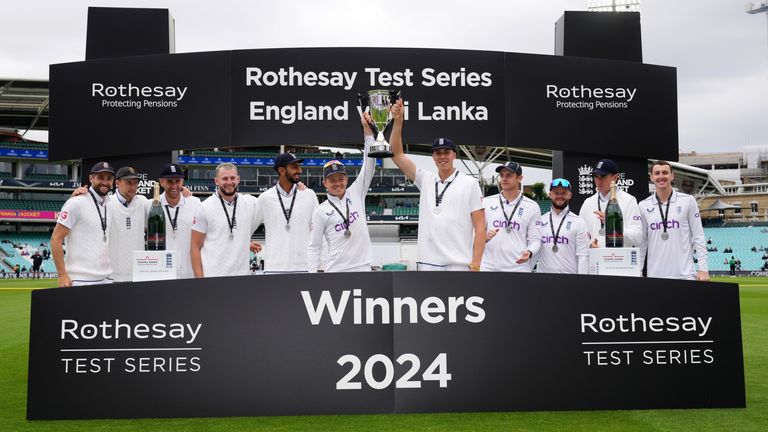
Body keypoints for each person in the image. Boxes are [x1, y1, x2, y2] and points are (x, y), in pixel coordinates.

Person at [387, 99, 485, 271]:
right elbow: (396, 155)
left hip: (459, 264)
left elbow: (480, 226)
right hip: (428, 263)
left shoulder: (470, 183)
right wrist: (398, 121)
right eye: (438, 153)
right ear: (433, 156)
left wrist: (476, 263)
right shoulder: (426, 179)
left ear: (454, 154)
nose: (442, 156)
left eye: (446, 152)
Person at [307, 114, 376, 272]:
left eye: (340, 178)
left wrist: (367, 132)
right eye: (332, 180)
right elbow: (314, 247)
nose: (337, 183)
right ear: (325, 183)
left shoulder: (356, 192)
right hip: (336, 271)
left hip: (363, 267)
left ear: (346, 179)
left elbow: (369, 164)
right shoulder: (321, 211)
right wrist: (310, 277)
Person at [638, 160, 709, 281]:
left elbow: (698, 236)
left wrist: (703, 269)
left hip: (685, 275)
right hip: (655, 275)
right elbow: (642, 242)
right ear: (651, 177)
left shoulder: (688, 201)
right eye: (657, 173)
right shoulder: (643, 205)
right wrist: (638, 270)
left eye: (665, 172)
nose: (661, 176)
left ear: (672, 175)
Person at [190, 163, 261, 278]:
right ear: (216, 181)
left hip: (241, 277)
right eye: (224, 178)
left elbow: (274, 200)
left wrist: (297, 187)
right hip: (213, 277)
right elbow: (195, 247)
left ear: (238, 179)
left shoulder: (250, 202)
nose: (229, 182)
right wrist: (200, 281)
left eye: (232, 178)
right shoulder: (204, 207)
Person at [51, 161, 115, 286]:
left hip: (107, 278)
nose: (105, 182)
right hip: (80, 280)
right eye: (100, 177)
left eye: (109, 178)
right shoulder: (76, 203)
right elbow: (55, 239)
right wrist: (62, 274)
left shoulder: (110, 205)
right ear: (91, 178)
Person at [255, 153, 319, 272]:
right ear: (282, 170)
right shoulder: (265, 198)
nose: (299, 170)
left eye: (299, 166)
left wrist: (320, 265)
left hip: (304, 268)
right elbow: (248, 227)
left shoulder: (309, 195)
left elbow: (319, 232)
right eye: (294, 166)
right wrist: (245, 244)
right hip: (274, 269)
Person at [481, 161, 541, 272]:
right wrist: (484, 237)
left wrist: (530, 252)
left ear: (520, 178)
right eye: (502, 175)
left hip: (518, 267)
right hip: (489, 267)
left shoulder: (532, 206)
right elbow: (476, 233)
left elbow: (536, 240)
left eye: (509, 175)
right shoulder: (486, 202)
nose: (504, 178)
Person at [580, 159, 642, 248]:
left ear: (615, 177)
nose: (598, 181)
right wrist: (589, 244)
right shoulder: (588, 202)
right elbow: (581, 235)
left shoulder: (629, 200)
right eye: (596, 177)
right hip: (595, 259)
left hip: (619, 259)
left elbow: (637, 238)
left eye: (603, 176)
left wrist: (613, 224)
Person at [535, 178, 590, 274]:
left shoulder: (579, 222)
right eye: (556, 192)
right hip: (543, 280)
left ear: (570, 195)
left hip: (569, 281)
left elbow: (583, 257)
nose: (560, 196)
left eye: (564, 193)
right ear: (550, 195)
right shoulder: (540, 220)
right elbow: (534, 251)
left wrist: (581, 283)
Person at [158, 163, 202, 279]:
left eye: (177, 181)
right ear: (161, 182)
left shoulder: (195, 203)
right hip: (161, 273)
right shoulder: (151, 205)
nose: (174, 186)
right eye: (169, 182)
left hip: (189, 273)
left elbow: (210, 230)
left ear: (182, 182)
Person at [108, 167, 150, 282]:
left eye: (135, 183)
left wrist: (182, 194)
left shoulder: (143, 202)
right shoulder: (107, 202)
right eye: (128, 183)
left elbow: (164, 203)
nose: (132, 187)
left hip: (137, 275)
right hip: (112, 274)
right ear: (117, 183)